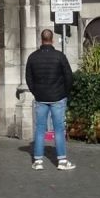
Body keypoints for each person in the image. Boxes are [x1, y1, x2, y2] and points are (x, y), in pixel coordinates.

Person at [25, 29, 73, 171]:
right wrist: (65, 92)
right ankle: (62, 161)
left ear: (41, 39)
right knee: (59, 129)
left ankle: (38, 161)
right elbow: (68, 77)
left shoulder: (32, 57)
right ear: (52, 40)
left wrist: (36, 92)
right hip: (57, 97)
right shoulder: (60, 56)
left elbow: (29, 79)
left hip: (41, 98)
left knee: (40, 129)